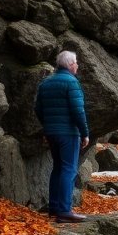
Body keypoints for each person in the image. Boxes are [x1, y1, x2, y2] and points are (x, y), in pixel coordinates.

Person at [34, 50, 90, 223]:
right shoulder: (72, 83)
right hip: (68, 133)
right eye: (76, 63)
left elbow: (38, 109)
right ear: (70, 65)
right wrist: (85, 133)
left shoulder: (46, 83)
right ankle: (65, 211)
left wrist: (48, 127)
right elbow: (78, 111)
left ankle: (54, 207)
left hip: (52, 133)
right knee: (69, 170)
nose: (77, 65)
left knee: (57, 168)